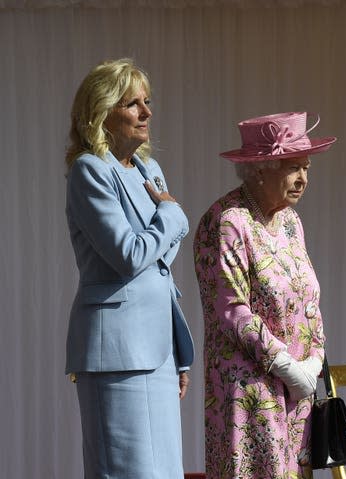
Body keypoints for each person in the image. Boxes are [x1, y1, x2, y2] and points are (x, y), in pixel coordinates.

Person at [64, 58, 194, 478]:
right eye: (132, 103)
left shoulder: (147, 169)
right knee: (127, 471)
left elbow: (158, 264)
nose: (146, 112)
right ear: (101, 114)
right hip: (116, 354)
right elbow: (128, 255)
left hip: (158, 349)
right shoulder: (89, 171)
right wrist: (172, 218)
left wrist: (178, 354)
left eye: (147, 101)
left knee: (165, 472)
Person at [193, 111, 336, 479]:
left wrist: (313, 361)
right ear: (259, 168)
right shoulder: (227, 220)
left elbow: (308, 297)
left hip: (297, 391)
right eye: (293, 168)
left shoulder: (290, 221)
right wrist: (287, 367)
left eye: (306, 168)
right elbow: (231, 310)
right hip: (250, 390)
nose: (304, 178)